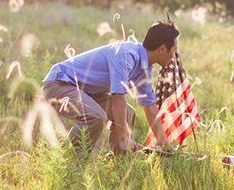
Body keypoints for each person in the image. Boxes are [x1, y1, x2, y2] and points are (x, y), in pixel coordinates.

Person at [41, 21, 177, 152]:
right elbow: (118, 97)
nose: (174, 56)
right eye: (174, 50)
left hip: (87, 91)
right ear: (163, 49)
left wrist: (164, 145)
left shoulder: (145, 68)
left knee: (129, 113)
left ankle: (120, 160)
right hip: (60, 84)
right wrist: (123, 139)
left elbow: (150, 107)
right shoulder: (126, 54)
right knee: (95, 116)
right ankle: (68, 160)